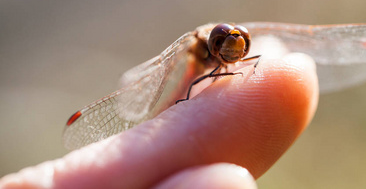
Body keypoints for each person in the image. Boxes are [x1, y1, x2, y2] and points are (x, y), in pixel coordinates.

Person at [0, 54, 318, 189]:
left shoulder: (235, 49)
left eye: (240, 42)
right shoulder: (199, 50)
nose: (235, 47)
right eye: (226, 42)